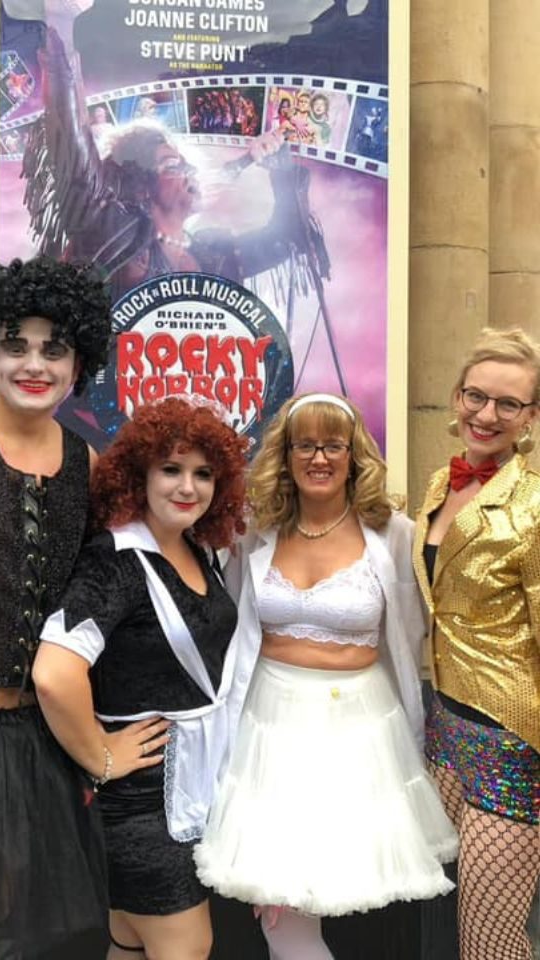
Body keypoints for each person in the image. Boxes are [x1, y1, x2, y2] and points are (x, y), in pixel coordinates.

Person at [194, 392, 458, 959]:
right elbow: (230, 621)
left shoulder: (394, 534)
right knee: (277, 896)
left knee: (344, 884)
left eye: (332, 444)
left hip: (360, 731)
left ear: (353, 453)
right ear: (285, 456)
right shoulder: (255, 532)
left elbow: (414, 633)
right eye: (304, 445)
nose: (319, 457)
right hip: (268, 725)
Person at [32, 397, 251, 960]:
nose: (188, 487)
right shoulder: (115, 561)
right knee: (186, 947)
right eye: (171, 470)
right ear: (140, 474)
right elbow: (55, 673)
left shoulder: (199, 551)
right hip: (141, 804)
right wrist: (101, 755)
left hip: (196, 791)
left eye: (204, 473)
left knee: (130, 943)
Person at [0, 255, 112, 959]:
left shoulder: (88, 464)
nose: (34, 362)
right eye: (15, 343)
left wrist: (101, 749)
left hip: (40, 751)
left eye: (54, 347)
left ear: (79, 363)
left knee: (16, 943)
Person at [20, 2, 329, 303]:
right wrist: (61, 18)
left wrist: (283, 173)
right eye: (171, 165)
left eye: (185, 164)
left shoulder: (212, 253)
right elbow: (74, 150)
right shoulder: (111, 234)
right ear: (141, 187)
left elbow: (286, 239)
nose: (189, 171)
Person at [412, 328, 540, 960]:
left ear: (531, 418)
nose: (487, 414)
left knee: (491, 943)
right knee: (439, 928)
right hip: (443, 730)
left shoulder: (536, 506)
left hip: (511, 744)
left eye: (508, 404)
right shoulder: (439, 486)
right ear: (456, 397)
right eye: (476, 396)